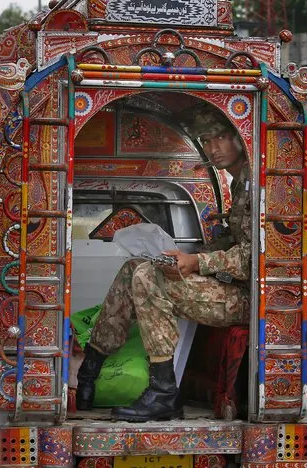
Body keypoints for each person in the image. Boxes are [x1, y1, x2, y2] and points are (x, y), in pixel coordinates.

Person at [76, 105, 252, 422]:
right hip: (227, 287)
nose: (213, 149)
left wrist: (197, 260)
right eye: (207, 141)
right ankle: (90, 371)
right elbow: (233, 244)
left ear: (240, 137)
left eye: (221, 138)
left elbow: (255, 257)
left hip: (247, 299)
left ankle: (163, 392)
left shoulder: (260, 184)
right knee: (136, 266)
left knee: (146, 275)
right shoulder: (240, 184)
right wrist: (182, 257)